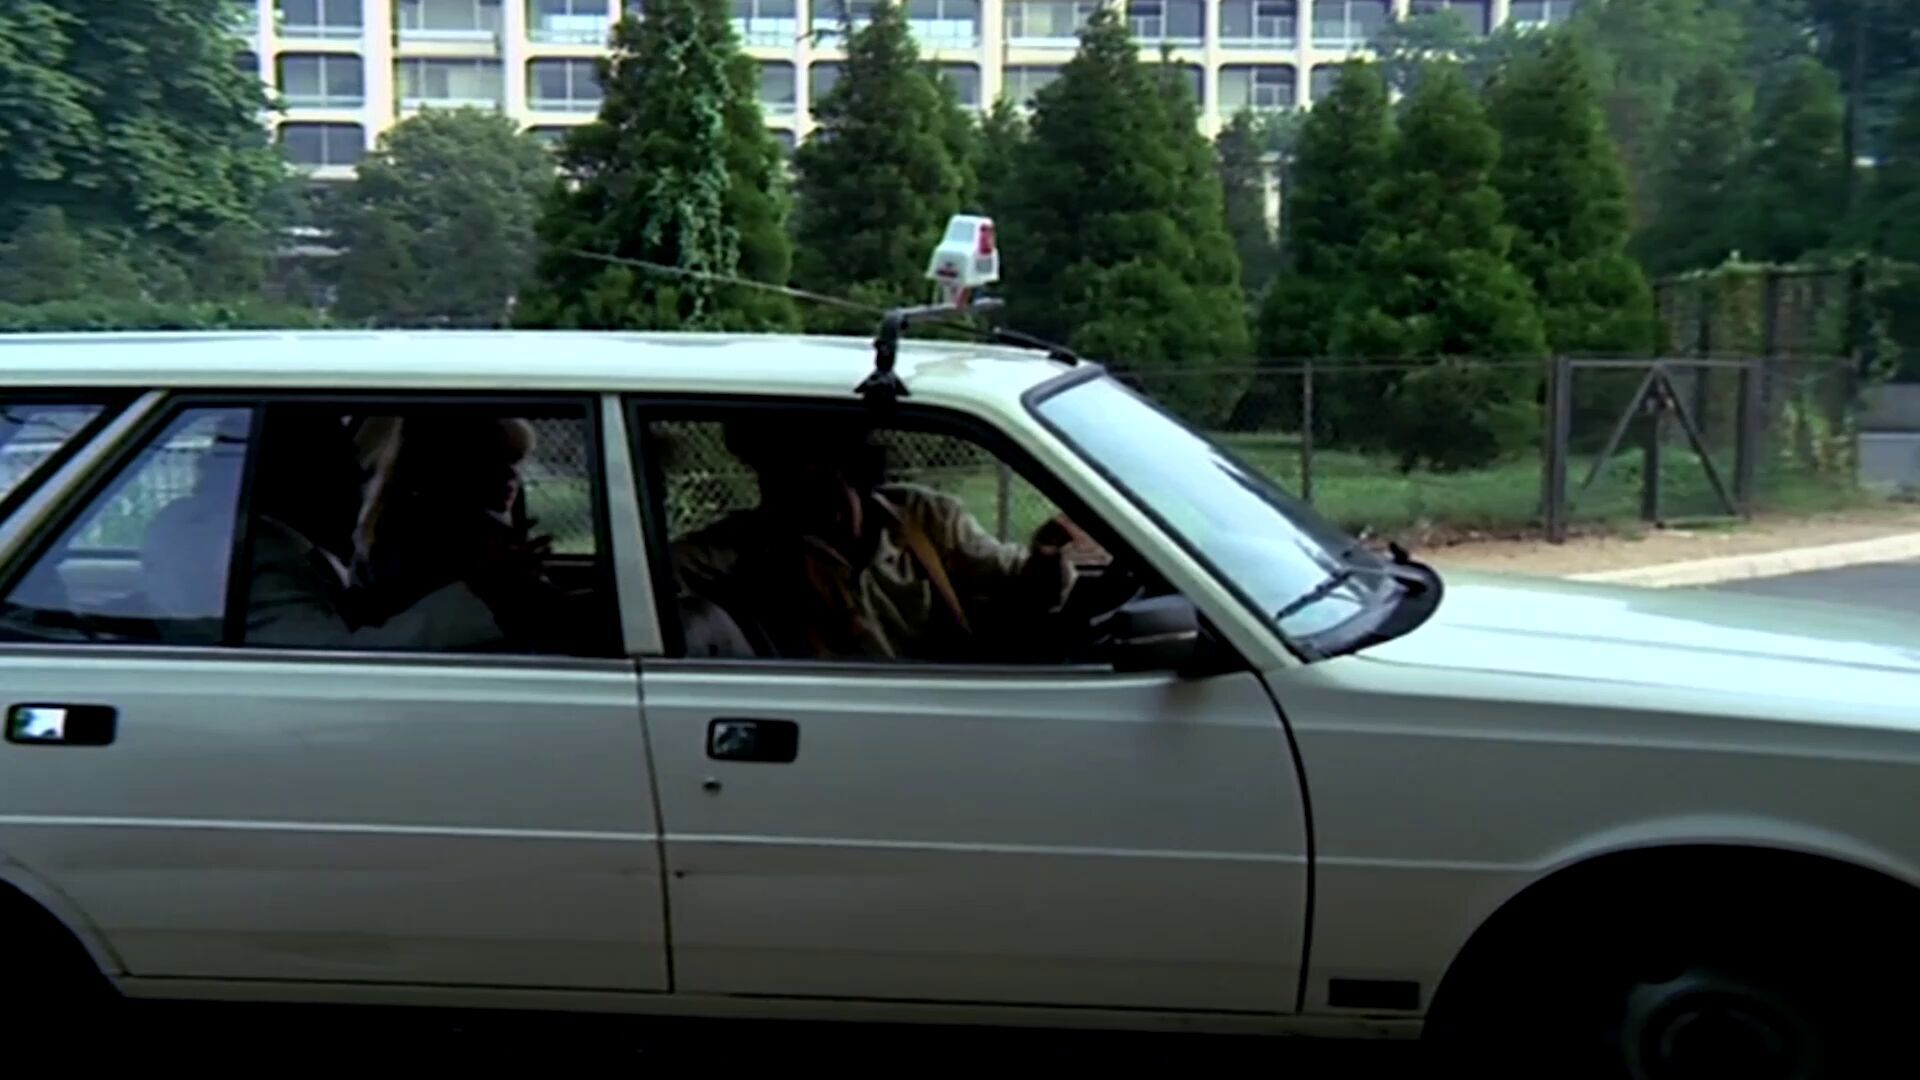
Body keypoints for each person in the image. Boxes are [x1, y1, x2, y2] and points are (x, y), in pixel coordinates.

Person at [672, 418, 1074, 663]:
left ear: (850, 465)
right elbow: (651, 574)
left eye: (817, 464)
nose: (802, 481)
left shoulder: (926, 519)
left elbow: (1017, 579)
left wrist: (1046, 556)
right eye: (779, 468)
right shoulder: (741, 547)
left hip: (942, 703)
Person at [353, 414, 588, 653]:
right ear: (449, 464)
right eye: (493, 460)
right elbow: (532, 614)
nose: (512, 475)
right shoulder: (439, 535)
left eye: (516, 464)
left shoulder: (480, 527)